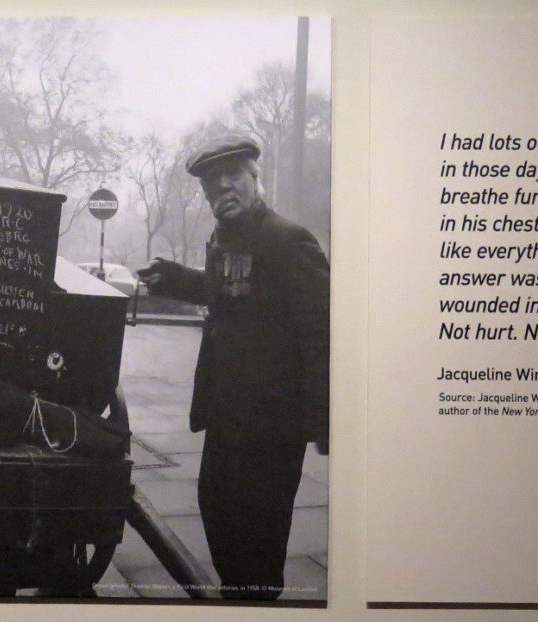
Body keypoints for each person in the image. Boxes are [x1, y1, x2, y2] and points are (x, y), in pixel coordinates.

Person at [137, 134, 329, 600]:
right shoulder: (226, 239)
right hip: (226, 417)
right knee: (218, 514)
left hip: (270, 426)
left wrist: (327, 419)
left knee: (257, 544)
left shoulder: (288, 241)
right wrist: (177, 279)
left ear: (254, 178)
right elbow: (230, 292)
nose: (223, 187)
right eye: (212, 182)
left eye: (234, 176)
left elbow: (323, 332)